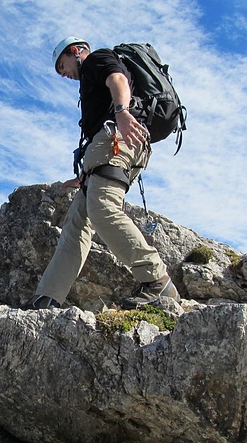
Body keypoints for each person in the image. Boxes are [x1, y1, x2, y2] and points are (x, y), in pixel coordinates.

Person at [22, 36, 180, 310]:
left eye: (63, 66)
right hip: (104, 148)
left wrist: (122, 112)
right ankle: (47, 296)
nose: (64, 74)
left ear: (75, 51)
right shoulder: (89, 81)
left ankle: (157, 281)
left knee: (102, 208)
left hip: (116, 139)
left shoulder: (97, 59)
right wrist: (85, 174)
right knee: (76, 223)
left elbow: (116, 79)